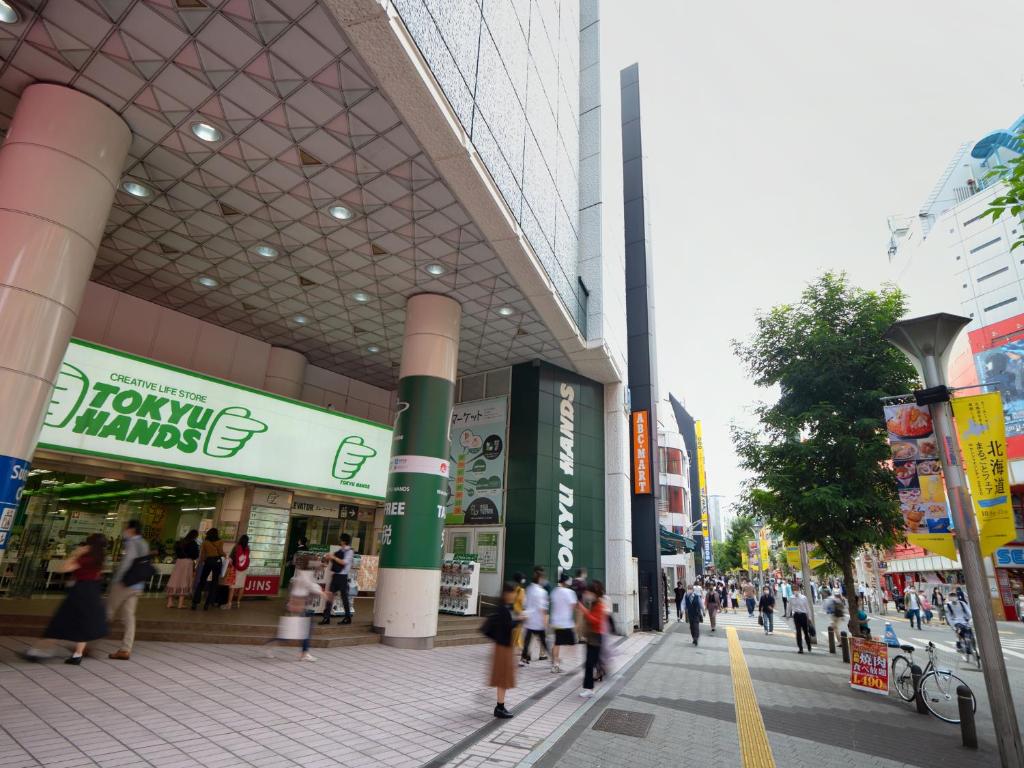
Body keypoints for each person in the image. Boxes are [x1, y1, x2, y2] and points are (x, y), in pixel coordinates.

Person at [23, 534, 109, 664]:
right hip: (93, 592)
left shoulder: (86, 557)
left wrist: (75, 554)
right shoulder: (100, 557)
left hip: (79, 592)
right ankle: (77, 655)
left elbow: (64, 568)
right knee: (84, 623)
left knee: (60, 621)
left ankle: (39, 651)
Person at [107, 520, 150, 661]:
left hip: (124, 584)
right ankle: (125, 649)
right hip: (137, 585)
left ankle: (86, 644)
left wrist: (116, 581)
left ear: (131, 530)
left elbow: (127, 563)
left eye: (126, 528)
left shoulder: (132, 543)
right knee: (129, 617)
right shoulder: (144, 543)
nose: (124, 531)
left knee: (108, 612)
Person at [265, 557, 322, 662]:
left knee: (301, 630)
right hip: (299, 607)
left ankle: (303, 653)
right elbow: (311, 586)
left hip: (301, 606)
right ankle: (273, 644)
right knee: (293, 631)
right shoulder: (304, 576)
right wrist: (323, 593)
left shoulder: (301, 574)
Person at [482, 582, 518, 718]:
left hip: (503, 647)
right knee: (503, 678)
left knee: (503, 679)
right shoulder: (503, 609)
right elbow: (507, 626)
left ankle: (500, 706)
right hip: (503, 648)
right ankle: (499, 708)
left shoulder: (505, 607)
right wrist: (520, 620)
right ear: (507, 594)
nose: (514, 595)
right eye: (513, 592)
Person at [578, 581, 606, 698]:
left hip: (596, 637)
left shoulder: (599, 605)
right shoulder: (594, 603)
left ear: (594, 593)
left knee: (590, 663)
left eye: (589, 592)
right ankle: (589, 687)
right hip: (593, 637)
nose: (587, 594)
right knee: (590, 663)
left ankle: (589, 689)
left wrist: (584, 610)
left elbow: (595, 620)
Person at [320, 534, 354, 625]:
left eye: (341, 540)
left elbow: (344, 562)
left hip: (343, 577)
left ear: (343, 541)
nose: (340, 541)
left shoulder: (349, 552)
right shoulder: (341, 550)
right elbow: (336, 560)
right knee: (330, 596)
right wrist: (329, 557)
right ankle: (326, 618)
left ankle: (347, 617)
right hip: (336, 576)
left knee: (344, 598)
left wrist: (333, 557)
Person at [520, 567, 549, 666]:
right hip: (538, 621)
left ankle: (523, 658)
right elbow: (543, 608)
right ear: (540, 579)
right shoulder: (542, 592)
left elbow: (524, 603)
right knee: (544, 641)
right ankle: (553, 660)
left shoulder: (528, 588)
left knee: (527, 641)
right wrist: (545, 621)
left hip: (529, 620)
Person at [549, 573, 578, 673]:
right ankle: (563, 662)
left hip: (556, 622)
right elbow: (573, 606)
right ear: (566, 582)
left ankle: (555, 664)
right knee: (573, 644)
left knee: (557, 642)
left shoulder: (554, 591)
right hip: (566, 623)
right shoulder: (570, 592)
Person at [191, 528, 225, 611]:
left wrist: (201, 562)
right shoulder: (220, 541)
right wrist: (225, 555)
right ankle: (207, 604)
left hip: (208, 561)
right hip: (217, 562)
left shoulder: (205, 542)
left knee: (202, 581)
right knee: (214, 582)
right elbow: (220, 552)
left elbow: (202, 554)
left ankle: (195, 603)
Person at [165, 529, 198, 609]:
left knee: (174, 580)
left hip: (179, 562)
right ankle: (180, 604)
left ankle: (169, 602)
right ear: (195, 536)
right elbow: (195, 555)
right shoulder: (193, 543)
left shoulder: (180, 542)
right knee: (184, 581)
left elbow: (176, 551)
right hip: (187, 563)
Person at [223, 534, 250, 609]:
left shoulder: (236, 547)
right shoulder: (248, 548)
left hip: (235, 569)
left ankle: (229, 604)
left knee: (232, 587)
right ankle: (238, 603)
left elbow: (231, 558)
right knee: (241, 586)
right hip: (244, 570)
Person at [790, 588, 812, 654]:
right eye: (794, 590)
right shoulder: (791, 598)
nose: (795, 592)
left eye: (796, 590)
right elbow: (789, 607)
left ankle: (809, 645)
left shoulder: (803, 598)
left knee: (805, 632)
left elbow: (807, 608)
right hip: (796, 616)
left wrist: (809, 617)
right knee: (798, 632)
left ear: (799, 591)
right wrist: (788, 615)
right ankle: (800, 648)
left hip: (803, 615)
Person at [511, 572, 527, 652]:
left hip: (511, 611)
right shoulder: (521, 590)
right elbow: (523, 602)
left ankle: (516, 646)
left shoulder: (511, 587)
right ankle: (517, 647)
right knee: (518, 630)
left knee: (513, 630)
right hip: (519, 612)